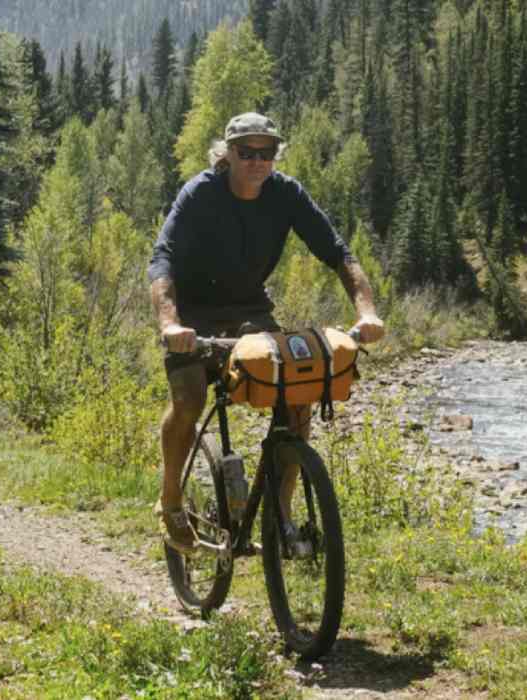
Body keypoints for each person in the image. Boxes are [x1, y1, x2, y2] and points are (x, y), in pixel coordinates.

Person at [146, 112, 386, 553]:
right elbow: (163, 259)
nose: (257, 161)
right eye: (246, 152)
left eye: (267, 152)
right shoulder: (200, 194)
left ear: (276, 155)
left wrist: (366, 311)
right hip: (193, 315)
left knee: (296, 394)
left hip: (249, 311)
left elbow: (338, 252)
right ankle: (171, 501)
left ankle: (280, 518)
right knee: (190, 399)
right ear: (227, 154)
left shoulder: (285, 194)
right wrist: (170, 322)